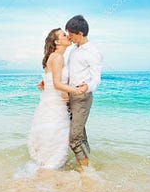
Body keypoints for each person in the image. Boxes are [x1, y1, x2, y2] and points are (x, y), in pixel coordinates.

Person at [38, 15, 102, 168]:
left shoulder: (93, 52)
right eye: (66, 34)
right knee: (80, 135)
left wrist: (87, 87)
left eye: (70, 34)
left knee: (74, 137)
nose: (69, 37)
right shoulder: (73, 49)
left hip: (82, 97)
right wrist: (47, 80)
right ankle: (86, 165)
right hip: (69, 97)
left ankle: (85, 171)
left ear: (80, 33)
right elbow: (65, 72)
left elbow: (96, 78)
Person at [28, 28, 85, 169]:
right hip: (56, 108)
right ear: (57, 41)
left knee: (51, 145)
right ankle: (49, 177)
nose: (67, 36)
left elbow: (49, 80)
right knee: (57, 147)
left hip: (50, 106)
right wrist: (77, 90)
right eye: (64, 35)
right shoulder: (58, 57)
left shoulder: (53, 57)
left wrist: (43, 83)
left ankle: (42, 177)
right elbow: (57, 84)